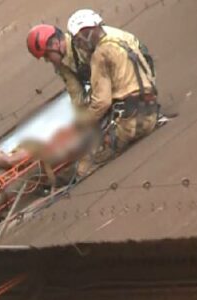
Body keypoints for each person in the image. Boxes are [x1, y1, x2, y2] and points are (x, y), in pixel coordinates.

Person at [67, 9, 158, 177]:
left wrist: (84, 121)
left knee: (83, 165)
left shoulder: (99, 55)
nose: (80, 44)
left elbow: (101, 103)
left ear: (85, 34)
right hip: (152, 113)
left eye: (79, 39)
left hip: (132, 124)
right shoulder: (122, 40)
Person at [27, 19, 153, 118]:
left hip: (136, 64)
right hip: (113, 74)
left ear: (55, 45)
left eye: (46, 55)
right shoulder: (62, 64)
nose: (46, 60)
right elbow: (78, 98)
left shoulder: (82, 42)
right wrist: (81, 120)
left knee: (111, 109)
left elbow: (109, 73)